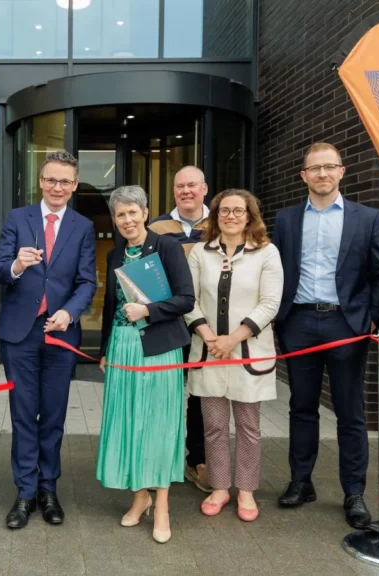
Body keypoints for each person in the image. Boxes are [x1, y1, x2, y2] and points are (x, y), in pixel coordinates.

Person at [272, 142, 379, 529]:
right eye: (314, 169)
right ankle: (301, 482)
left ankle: (353, 492)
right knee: (301, 408)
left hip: (346, 325)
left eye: (329, 167)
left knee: (350, 413)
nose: (322, 174)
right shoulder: (286, 220)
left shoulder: (367, 217)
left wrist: (372, 318)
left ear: (342, 171)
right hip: (299, 323)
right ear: (303, 176)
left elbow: (378, 274)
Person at [0, 150, 97, 529]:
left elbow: (88, 281)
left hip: (60, 332)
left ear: (74, 184)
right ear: (40, 181)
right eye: (51, 179)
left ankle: (47, 488)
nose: (57, 187)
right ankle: (24, 492)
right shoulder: (18, 218)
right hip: (21, 333)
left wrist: (69, 312)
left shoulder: (83, 226)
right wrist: (17, 265)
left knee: (52, 416)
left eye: (65, 181)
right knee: (22, 415)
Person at [96, 185, 194, 544]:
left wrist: (148, 311)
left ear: (146, 212)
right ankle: (139, 496)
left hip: (158, 348)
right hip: (122, 347)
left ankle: (163, 504)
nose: (126, 220)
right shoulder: (115, 253)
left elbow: (186, 299)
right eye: (120, 214)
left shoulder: (166, 246)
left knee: (157, 424)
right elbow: (109, 304)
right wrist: (105, 348)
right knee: (125, 421)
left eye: (132, 212)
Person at [185, 189, 283, 522]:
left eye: (238, 211)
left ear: (250, 216)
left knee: (248, 427)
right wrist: (210, 337)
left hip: (248, 354)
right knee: (213, 427)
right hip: (209, 351)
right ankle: (219, 487)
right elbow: (190, 299)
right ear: (215, 217)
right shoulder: (200, 252)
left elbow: (270, 303)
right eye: (224, 211)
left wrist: (233, 339)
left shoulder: (267, 253)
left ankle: (246, 490)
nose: (230, 216)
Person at [149, 165, 211, 491]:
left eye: (192, 186)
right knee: (167, 395)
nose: (186, 191)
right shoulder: (157, 227)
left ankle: (196, 460)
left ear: (204, 188)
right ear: (174, 191)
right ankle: (161, 460)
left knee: (201, 396)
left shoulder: (222, 222)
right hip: (170, 325)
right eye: (180, 187)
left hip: (207, 328)